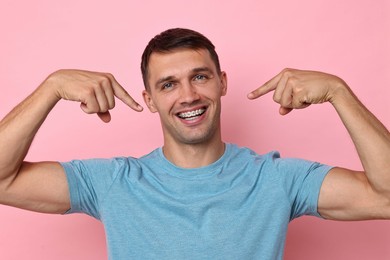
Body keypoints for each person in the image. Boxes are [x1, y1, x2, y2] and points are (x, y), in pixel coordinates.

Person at [0, 28, 389, 259]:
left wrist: (340, 92)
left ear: (222, 82)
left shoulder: (277, 179)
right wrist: (50, 87)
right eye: (168, 84)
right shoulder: (113, 182)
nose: (188, 95)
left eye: (200, 77)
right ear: (150, 99)